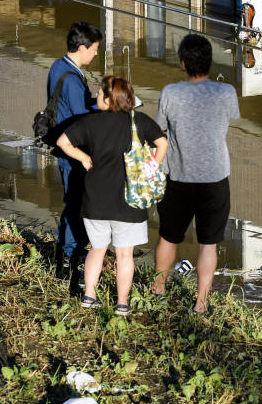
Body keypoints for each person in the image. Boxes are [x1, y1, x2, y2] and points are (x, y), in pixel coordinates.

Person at [56, 76, 167, 313]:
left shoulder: (91, 122)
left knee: (97, 249)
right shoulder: (140, 121)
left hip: (96, 198)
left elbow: (62, 142)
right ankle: (122, 303)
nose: (96, 96)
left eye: (99, 93)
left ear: (109, 98)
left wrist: (84, 158)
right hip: (130, 200)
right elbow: (163, 143)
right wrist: (151, 166)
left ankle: (88, 296)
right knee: (125, 254)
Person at [153, 34, 240, 313]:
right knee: (208, 243)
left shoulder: (169, 92)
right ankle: (201, 304)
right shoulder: (226, 93)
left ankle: (158, 290)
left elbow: (160, 131)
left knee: (168, 236)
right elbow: (229, 120)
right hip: (214, 179)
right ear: (210, 63)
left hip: (177, 177)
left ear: (182, 64)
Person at [47, 21, 102, 280]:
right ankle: (68, 260)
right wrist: (105, 109)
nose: (96, 53)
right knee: (76, 204)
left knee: (71, 201)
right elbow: (83, 118)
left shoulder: (59, 66)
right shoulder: (73, 81)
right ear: (82, 47)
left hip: (63, 144)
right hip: (73, 151)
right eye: (94, 49)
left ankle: (62, 254)